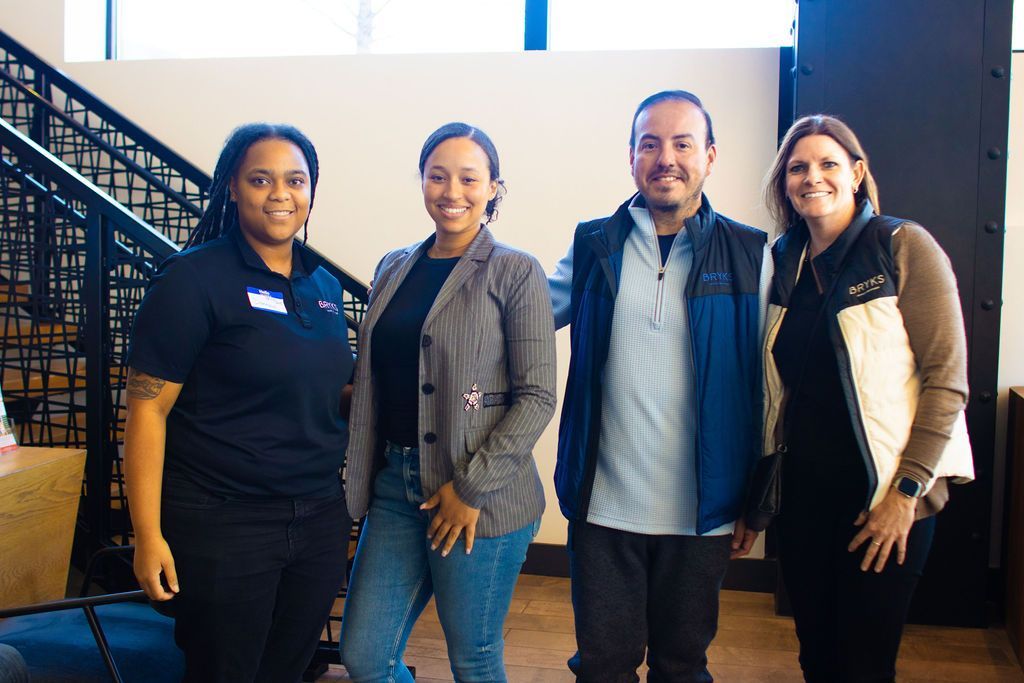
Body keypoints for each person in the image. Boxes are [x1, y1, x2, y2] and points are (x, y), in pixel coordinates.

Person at [549, 90, 770, 682]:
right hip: (602, 505)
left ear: (710, 155)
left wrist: (758, 497)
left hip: (703, 511)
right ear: (631, 156)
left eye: (682, 143)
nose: (665, 157)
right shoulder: (595, 244)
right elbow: (524, 316)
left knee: (682, 667)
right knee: (602, 666)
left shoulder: (752, 254)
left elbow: (770, 391)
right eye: (650, 144)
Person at [124, 123, 354, 682]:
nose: (280, 194)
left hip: (318, 516)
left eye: (295, 180)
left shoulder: (321, 286)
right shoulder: (192, 280)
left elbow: (324, 391)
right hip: (224, 521)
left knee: (288, 669)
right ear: (232, 186)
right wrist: (148, 536)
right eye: (261, 179)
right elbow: (147, 412)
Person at [760, 114, 975, 682]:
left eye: (828, 164)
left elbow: (947, 381)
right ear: (785, 182)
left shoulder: (902, 245)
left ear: (856, 172)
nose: (813, 177)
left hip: (884, 503)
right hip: (805, 504)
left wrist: (906, 493)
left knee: (864, 665)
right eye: (798, 167)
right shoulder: (782, 260)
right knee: (816, 657)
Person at [339, 122, 557, 682]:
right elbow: (379, 375)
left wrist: (469, 489)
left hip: (478, 494)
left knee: (474, 658)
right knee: (364, 657)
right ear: (422, 182)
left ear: (493, 189)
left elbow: (536, 396)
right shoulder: (394, 266)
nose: (451, 191)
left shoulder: (515, 271)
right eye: (438, 176)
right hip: (394, 486)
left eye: (468, 178)